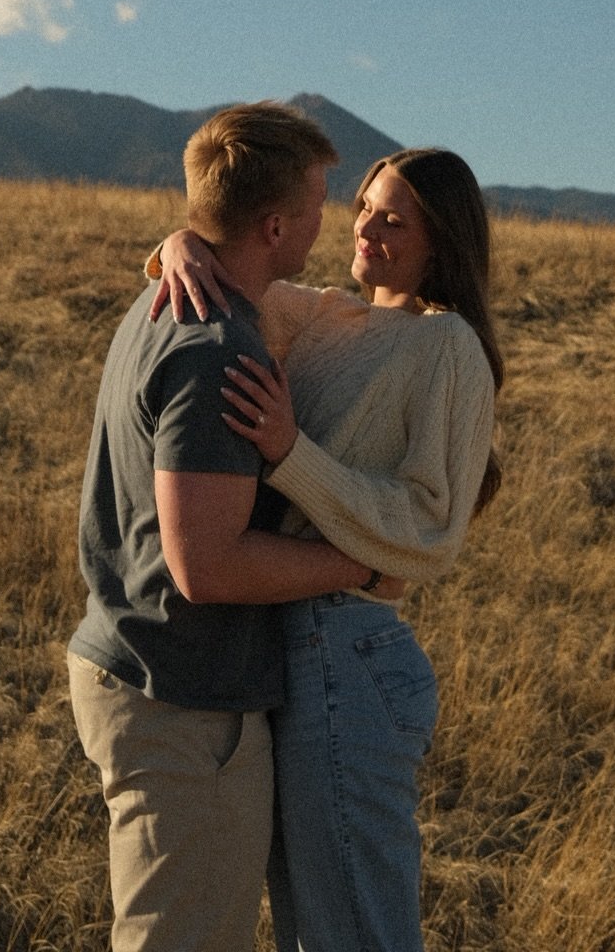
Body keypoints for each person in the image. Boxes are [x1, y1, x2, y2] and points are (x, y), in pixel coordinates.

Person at [148, 146, 504, 952]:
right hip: (288, 645)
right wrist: (179, 242)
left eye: (394, 216)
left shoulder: (448, 348)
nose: (369, 226)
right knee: (313, 932)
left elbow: (430, 528)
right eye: (365, 207)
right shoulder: (324, 315)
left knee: (358, 933)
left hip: (352, 649)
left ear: (440, 237)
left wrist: (290, 453)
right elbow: (224, 281)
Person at [67, 102, 392, 952]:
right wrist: (358, 565)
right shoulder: (218, 348)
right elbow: (205, 568)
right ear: (276, 224)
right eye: (321, 206)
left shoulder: (169, 298)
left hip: (152, 676)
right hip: (180, 701)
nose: (332, 223)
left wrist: (178, 242)